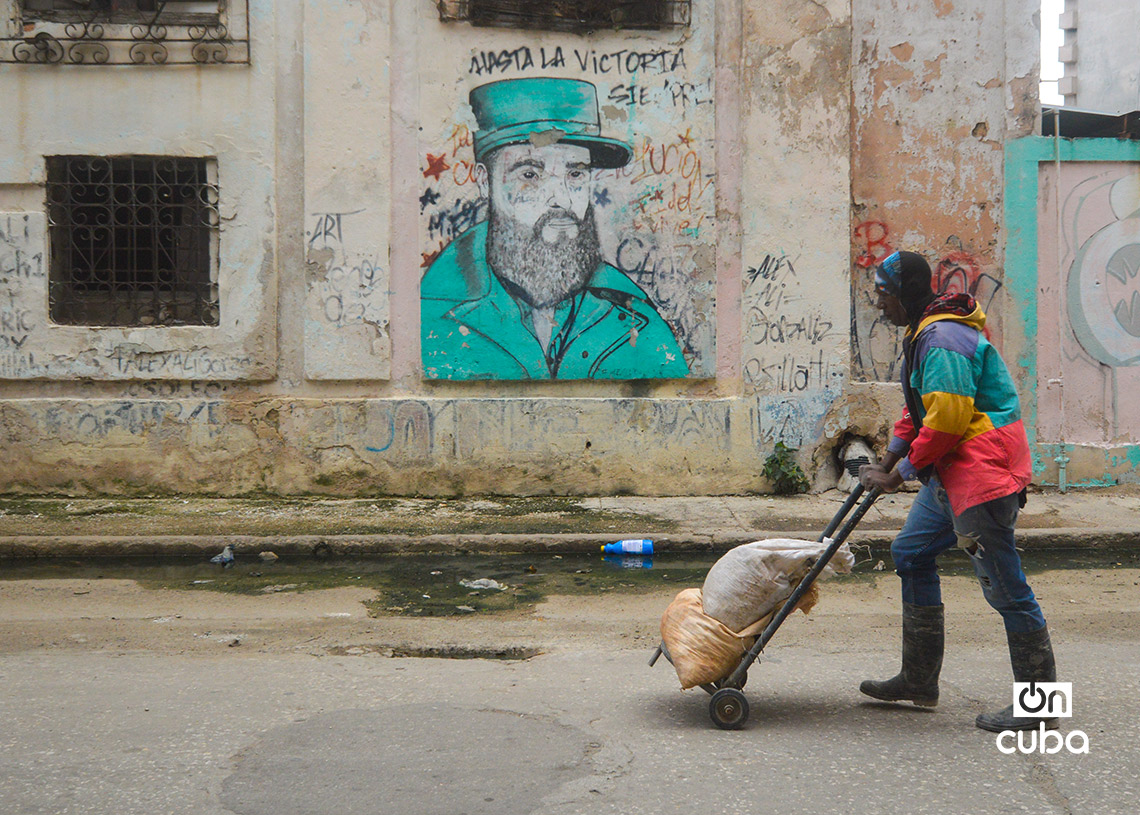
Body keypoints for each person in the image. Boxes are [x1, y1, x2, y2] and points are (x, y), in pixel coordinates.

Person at [858, 250, 1058, 733]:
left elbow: (946, 421)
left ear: (904, 292)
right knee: (910, 551)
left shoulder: (943, 338)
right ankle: (918, 680)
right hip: (951, 474)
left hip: (981, 476)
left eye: (884, 293)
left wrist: (900, 472)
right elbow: (919, 409)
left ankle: (1042, 706)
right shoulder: (924, 331)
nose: (879, 303)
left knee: (1007, 590)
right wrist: (885, 463)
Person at [421, 77, 688, 381]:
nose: (560, 199)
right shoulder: (432, 316)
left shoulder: (633, 318)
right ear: (485, 182)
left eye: (575, 173)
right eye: (531, 174)